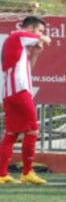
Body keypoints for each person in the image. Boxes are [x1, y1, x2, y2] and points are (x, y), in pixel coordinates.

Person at [0, 15, 51, 185]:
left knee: (11, 133)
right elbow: (47, 40)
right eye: (39, 30)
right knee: (32, 130)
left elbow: (27, 70)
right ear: (30, 29)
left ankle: (2, 174)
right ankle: (27, 172)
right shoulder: (18, 35)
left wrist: (35, 53)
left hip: (11, 93)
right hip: (20, 91)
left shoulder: (17, 43)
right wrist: (43, 39)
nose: (41, 34)